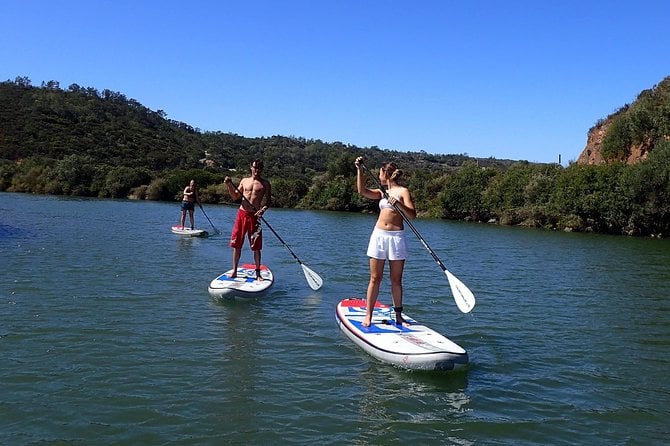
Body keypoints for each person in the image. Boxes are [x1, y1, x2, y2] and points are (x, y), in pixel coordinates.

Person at [355, 156, 416, 327]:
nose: (378, 175)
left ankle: (398, 316)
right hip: (379, 236)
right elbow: (362, 191)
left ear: (385, 174)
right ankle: (368, 315)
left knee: (396, 279)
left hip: (397, 238)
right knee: (375, 278)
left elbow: (412, 215)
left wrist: (398, 204)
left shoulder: (403, 191)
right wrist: (359, 170)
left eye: (380, 172)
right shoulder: (382, 191)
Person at [224, 159, 272, 280]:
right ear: (251, 167)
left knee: (256, 246)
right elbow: (235, 196)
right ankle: (234, 271)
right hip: (242, 214)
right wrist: (229, 185)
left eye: (260, 168)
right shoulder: (244, 181)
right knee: (237, 244)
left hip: (255, 216)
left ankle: (258, 273)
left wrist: (263, 209)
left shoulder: (265, 183)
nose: (257, 170)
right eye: (255, 167)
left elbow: (268, 201)